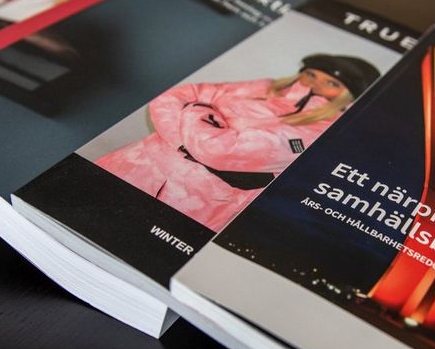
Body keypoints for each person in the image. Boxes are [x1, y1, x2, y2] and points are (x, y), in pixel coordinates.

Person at [95, 54, 380, 231]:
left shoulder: (324, 131)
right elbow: (171, 97)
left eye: (331, 83)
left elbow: (219, 152)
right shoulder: (263, 87)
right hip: (134, 166)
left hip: (192, 203)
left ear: (347, 96)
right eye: (312, 74)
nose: (315, 85)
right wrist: (184, 142)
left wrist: (196, 110)